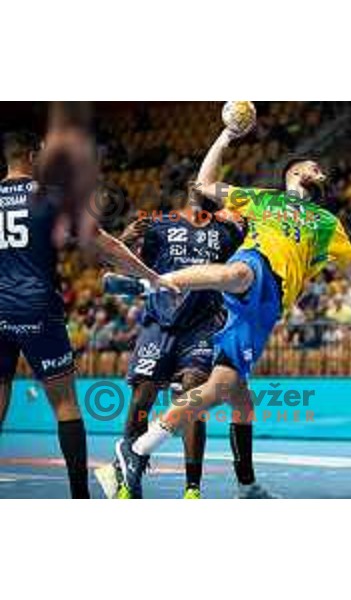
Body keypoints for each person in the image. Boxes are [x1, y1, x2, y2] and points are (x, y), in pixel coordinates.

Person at [98, 117, 351, 499]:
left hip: (268, 306)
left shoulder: (327, 222)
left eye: (321, 170)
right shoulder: (264, 199)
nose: (320, 171)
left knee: (230, 393)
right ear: (293, 171)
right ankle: (154, 282)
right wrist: (226, 136)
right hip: (258, 270)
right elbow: (204, 185)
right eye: (313, 166)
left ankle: (145, 454)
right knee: (240, 271)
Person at [0, 131, 172, 498]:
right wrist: (152, 275)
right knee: (65, 403)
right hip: (36, 308)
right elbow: (103, 244)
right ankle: (79, 496)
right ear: (34, 155)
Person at [95, 193, 245, 500]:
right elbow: (120, 266)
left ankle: (192, 488)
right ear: (190, 193)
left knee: (192, 394)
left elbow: (245, 269)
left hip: (202, 324)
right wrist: (125, 238)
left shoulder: (228, 232)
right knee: (142, 396)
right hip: (159, 322)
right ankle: (129, 474)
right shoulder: (158, 225)